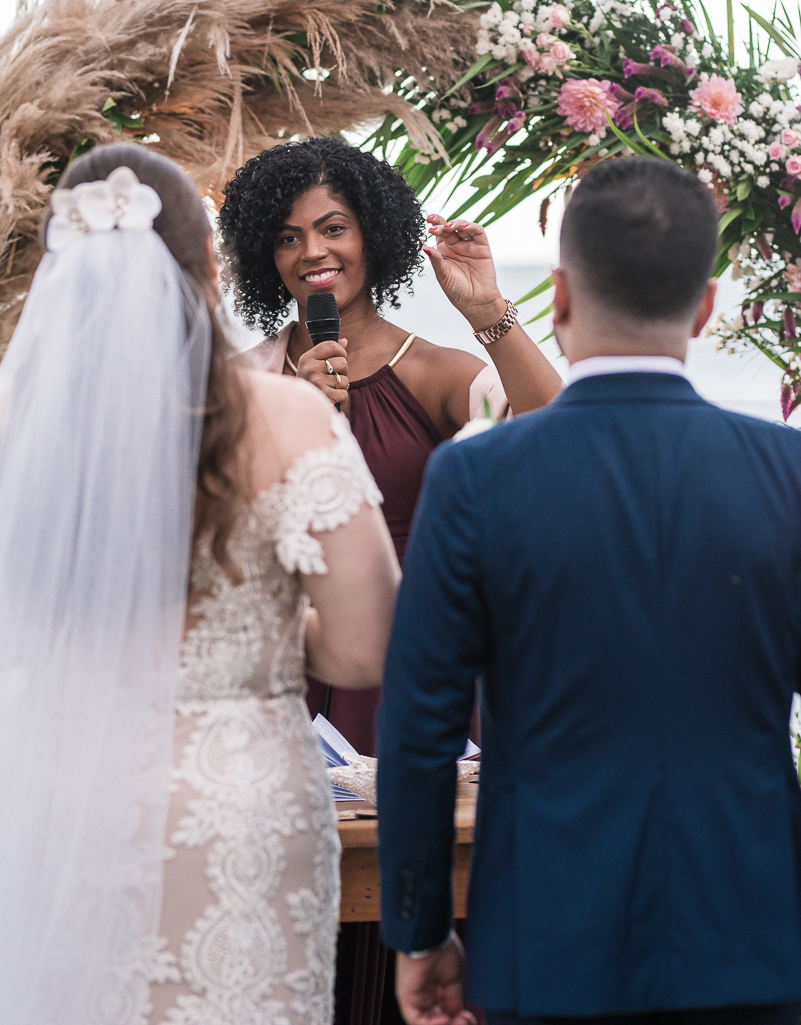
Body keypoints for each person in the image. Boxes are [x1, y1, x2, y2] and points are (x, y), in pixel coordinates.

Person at [377, 155, 801, 1025]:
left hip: (547, 944)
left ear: (559, 299)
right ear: (706, 306)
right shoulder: (786, 473)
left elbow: (419, 731)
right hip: (755, 938)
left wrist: (420, 935)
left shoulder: (475, 479)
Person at [0, 142, 399, 1025]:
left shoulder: (15, 430)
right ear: (210, 266)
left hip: (65, 796)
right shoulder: (285, 412)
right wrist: (261, 624)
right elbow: (366, 644)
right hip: (237, 803)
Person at [219, 136, 562, 757]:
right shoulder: (242, 383)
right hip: (285, 661)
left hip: (417, 661)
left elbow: (559, 440)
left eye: (333, 229)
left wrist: (488, 310)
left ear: (372, 236)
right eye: (287, 237)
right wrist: (296, 417)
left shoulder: (434, 372)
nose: (313, 252)